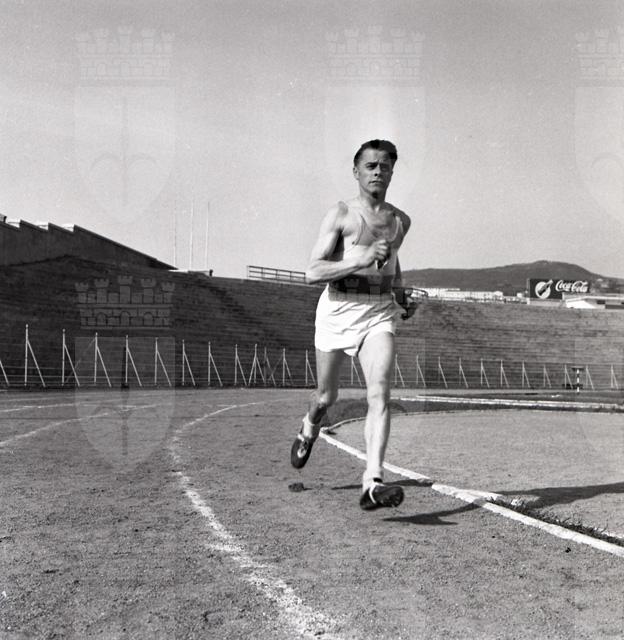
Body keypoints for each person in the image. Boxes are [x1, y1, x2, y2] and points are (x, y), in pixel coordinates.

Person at [290, 139, 417, 510]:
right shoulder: (341, 214)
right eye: (370, 166)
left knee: (380, 394)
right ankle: (309, 427)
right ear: (356, 172)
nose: (378, 172)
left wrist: (400, 293)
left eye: (385, 166)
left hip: (378, 313)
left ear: (392, 172)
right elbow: (312, 271)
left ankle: (372, 483)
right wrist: (359, 259)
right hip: (338, 310)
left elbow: (392, 265)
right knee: (325, 397)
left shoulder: (400, 221)